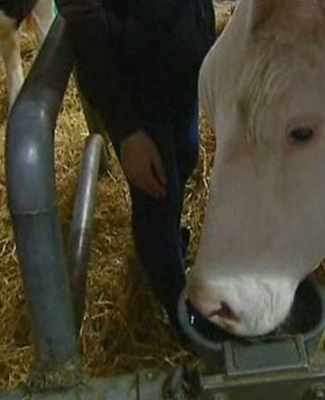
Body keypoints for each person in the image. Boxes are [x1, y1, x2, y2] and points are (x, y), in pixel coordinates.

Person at [56, 0, 217, 340]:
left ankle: (170, 240)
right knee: (156, 196)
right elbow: (83, 17)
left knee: (185, 157)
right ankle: (181, 312)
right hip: (138, 94)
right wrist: (127, 129)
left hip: (180, 73)